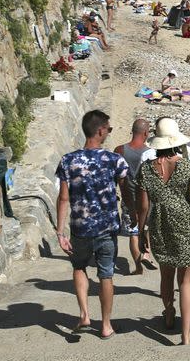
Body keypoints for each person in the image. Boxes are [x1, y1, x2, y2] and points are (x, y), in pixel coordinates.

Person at [136, 121, 190, 342]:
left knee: (166, 275)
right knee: (186, 281)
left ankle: (169, 314)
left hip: (160, 225)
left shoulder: (145, 170)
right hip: (188, 226)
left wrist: (142, 232)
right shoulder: (188, 167)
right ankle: (186, 336)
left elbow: (142, 207)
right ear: (176, 142)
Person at [55, 110, 129, 339]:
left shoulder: (68, 160)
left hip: (80, 228)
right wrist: (134, 215)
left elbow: (64, 197)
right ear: (100, 130)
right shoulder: (115, 160)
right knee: (106, 274)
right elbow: (127, 193)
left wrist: (60, 232)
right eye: (109, 128)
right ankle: (106, 325)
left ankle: (84, 315)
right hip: (107, 228)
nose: (109, 132)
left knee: (79, 268)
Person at [114, 119, 152, 275]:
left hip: (128, 196)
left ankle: (138, 267)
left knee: (133, 232)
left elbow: (116, 176)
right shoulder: (151, 152)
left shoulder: (119, 150)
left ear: (132, 130)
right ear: (145, 133)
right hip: (147, 198)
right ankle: (147, 253)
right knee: (146, 227)